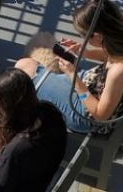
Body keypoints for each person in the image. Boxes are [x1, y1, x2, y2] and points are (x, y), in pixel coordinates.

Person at [15, 0, 123, 135]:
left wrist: (73, 77)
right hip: (91, 83)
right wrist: (85, 52)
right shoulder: (118, 41)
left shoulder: (118, 72)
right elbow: (108, 55)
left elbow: (100, 116)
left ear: (98, 36)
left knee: (24, 69)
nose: (84, 40)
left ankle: (10, 115)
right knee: (27, 69)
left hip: (86, 115)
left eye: (85, 36)